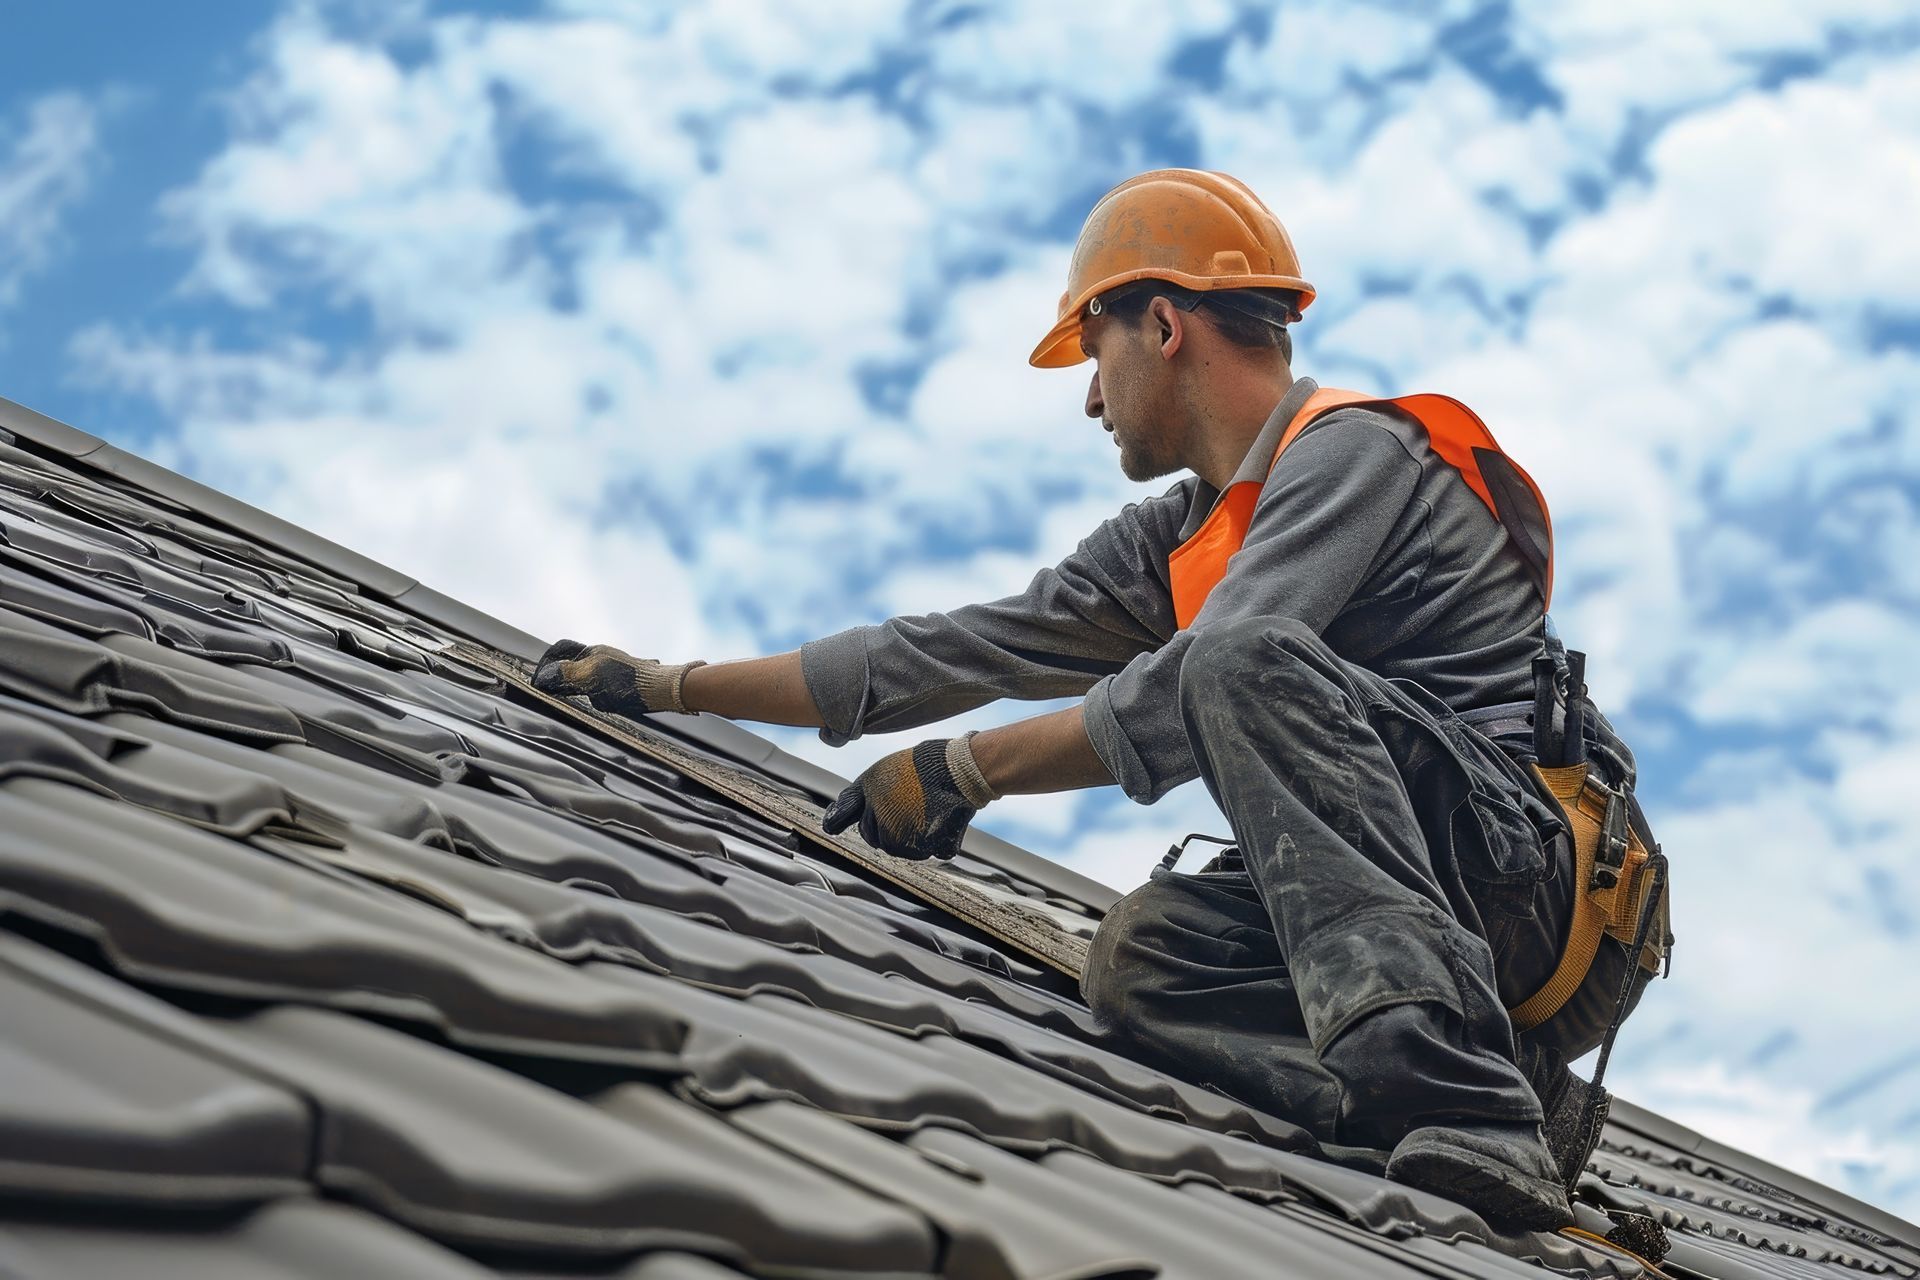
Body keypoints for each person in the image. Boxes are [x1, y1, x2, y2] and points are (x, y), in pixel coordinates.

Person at [532, 168, 1670, 1232]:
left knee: (1233, 662)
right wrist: (672, 686)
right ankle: (1495, 1083)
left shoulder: (1355, 453)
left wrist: (966, 772)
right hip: (1422, 910)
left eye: (1095, 349)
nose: (1090, 399)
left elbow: (1204, 677)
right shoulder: (1180, 536)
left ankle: (1470, 1109)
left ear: (1163, 327)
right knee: (1139, 960)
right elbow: (952, 649)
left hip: (1542, 879)